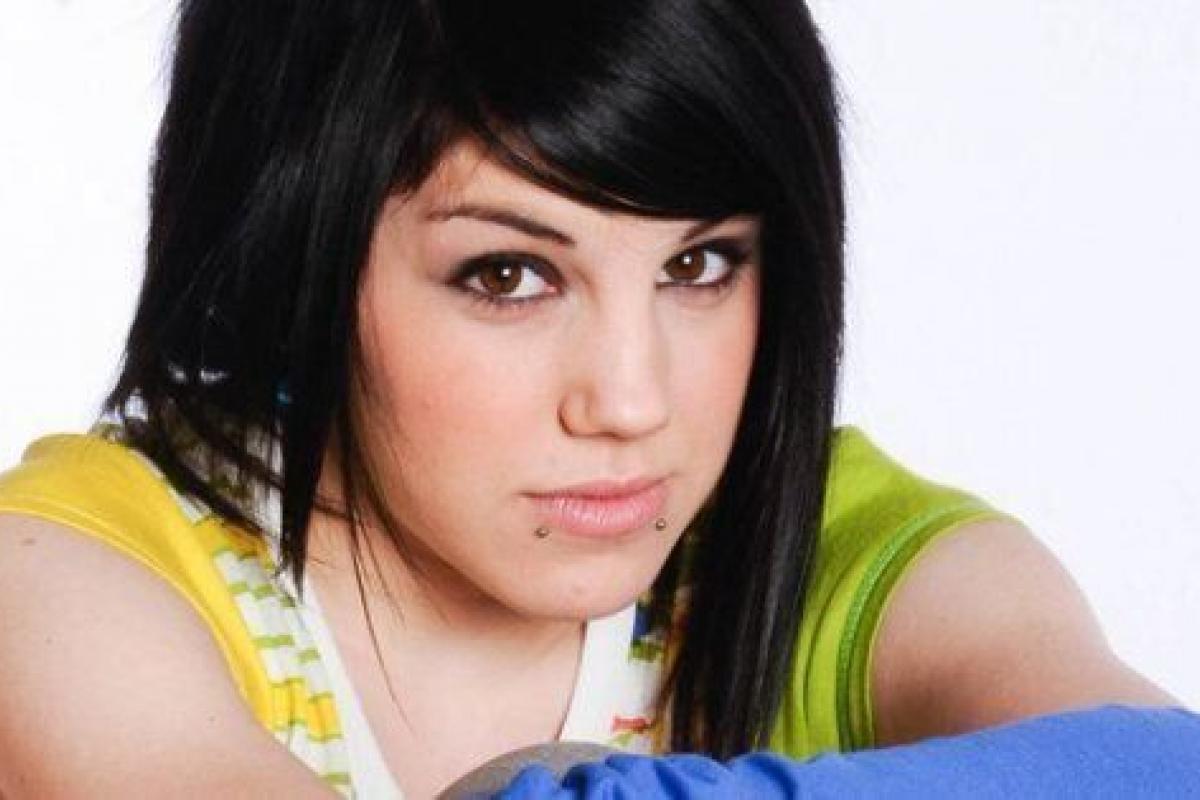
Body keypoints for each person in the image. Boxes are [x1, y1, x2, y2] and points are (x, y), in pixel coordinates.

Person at [0, 1, 1187, 798]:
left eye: (700, 263)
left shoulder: (826, 540)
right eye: (508, 275)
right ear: (292, 259)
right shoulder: (69, 583)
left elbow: (1156, 771)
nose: (631, 400)